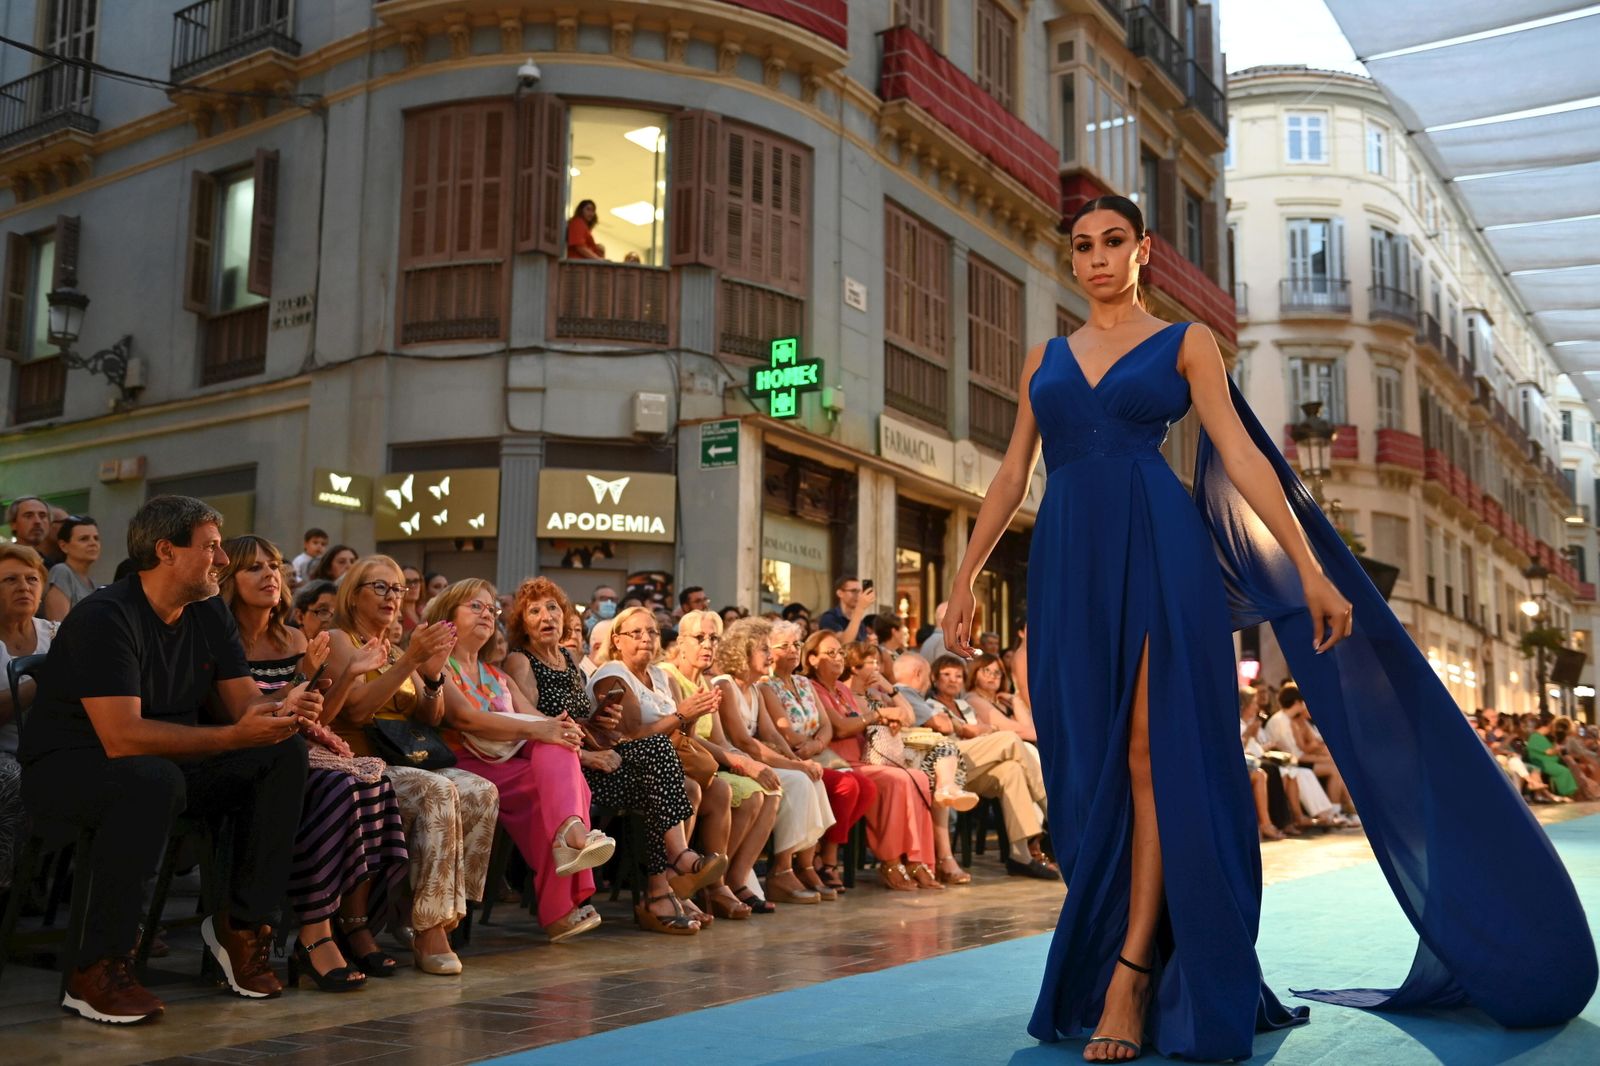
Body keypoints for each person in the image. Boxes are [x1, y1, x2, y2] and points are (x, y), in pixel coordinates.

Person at [943, 194, 1596, 1061]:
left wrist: (1311, 568)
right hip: (1067, 565)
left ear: (1144, 250)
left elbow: (1243, 454)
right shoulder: (1045, 359)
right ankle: (1112, 949)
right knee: (1085, 765)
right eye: (1083, 246)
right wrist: (965, 575)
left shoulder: (1185, 343)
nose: (1096, 257)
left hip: (1159, 548)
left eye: (1113, 241)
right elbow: (1010, 474)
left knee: (1148, 755)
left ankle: (1130, 975)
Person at [19, 496, 314, 1022]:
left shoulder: (208, 611)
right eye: (211, 547)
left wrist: (285, 708)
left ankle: (241, 927)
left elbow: (244, 704)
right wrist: (233, 737)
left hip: (165, 764)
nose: (222, 560)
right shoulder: (106, 617)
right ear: (166, 551)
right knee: (150, 779)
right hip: (71, 768)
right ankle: (97, 967)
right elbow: (122, 737)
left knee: (283, 754)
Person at [220, 536, 408, 991]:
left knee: (373, 781)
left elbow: (318, 717)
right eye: (253, 568)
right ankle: (315, 931)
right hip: (246, 752)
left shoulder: (295, 638)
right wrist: (300, 684)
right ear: (229, 579)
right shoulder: (222, 639)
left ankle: (355, 923)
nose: (270, 575)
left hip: (298, 746)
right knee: (339, 786)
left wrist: (348, 672)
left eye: (274, 565)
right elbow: (242, 716)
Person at [321, 556, 500, 975]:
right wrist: (409, 662)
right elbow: (357, 711)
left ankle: (437, 911)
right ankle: (429, 928)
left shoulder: (397, 649)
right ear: (354, 594)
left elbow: (429, 717)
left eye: (398, 589)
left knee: (481, 791)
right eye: (380, 587)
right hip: (363, 762)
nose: (392, 597)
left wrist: (433, 675)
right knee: (439, 792)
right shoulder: (340, 640)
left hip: (408, 758)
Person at [430, 580, 614, 944]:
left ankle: (570, 837)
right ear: (448, 615)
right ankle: (562, 890)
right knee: (558, 772)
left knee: (555, 761)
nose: (487, 614)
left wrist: (564, 731)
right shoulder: (439, 665)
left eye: (491, 609)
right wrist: (545, 729)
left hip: (507, 762)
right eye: (475, 606)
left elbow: (536, 720)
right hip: (464, 760)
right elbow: (465, 718)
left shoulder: (497, 675)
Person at [585, 605, 728, 934]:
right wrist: (680, 714)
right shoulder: (613, 674)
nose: (646, 638)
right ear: (617, 640)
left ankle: (673, 885)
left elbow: (682, 733)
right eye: (636, 632)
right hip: (614, 767)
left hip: (657, 767)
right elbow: (633, 736)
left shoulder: (661, 676)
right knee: (660, 758)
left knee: (692, 787)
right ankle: (670, 872)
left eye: (651, 631)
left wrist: (692, 715)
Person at [659, 610, 783, 919]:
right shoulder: (668, 675)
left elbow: (719, 741)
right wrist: (741, 762)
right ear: (681, 642)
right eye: (699, 638)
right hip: (677, 761)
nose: (708, 645)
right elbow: (679, 735)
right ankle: (705, 885)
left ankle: (726, 881)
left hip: (705, 762)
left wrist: (748, 762)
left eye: (713, 638)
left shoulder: (705, 682)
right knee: (738, 791)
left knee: (767, 789)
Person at [805, 636, 944, 891]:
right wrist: (878, 715)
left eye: (840, 652)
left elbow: (872, 721)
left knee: (919, 777)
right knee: (898, 779)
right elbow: (841, 728)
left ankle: (917, 859)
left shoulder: (842, 689)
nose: (838, 658)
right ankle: (890, 860)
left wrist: (885, 721)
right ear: (812, 659)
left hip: (861, 758)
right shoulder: (813, 688)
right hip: (838, 761)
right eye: (830, 653)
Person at [713, 618, 834, 906]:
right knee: (798, 780)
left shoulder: (755, 688)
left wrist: (797, 760)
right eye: (764, 649)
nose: (771, 656)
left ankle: (792, 866)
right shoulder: (725, 685)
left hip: (753, 760)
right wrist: (797, 767)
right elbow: (743, 742)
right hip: (732, 763)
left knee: (811, 779)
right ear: (743, 652)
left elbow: (771, 735)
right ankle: (779, 870)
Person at [761, 621, 876, 899]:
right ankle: (819, 861)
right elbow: (783, 731)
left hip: (817, 751)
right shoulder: (767, 685)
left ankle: (820, 850)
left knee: (867, 788)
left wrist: (817, 744)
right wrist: (807, 746)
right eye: (784, 646)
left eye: (796, 644)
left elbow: (826, 725)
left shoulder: (803, 683)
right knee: (845, 786)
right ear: (768, 651)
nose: (793, 650)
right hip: (790, 753)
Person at [926, 654, 1053, 877]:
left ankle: (1020, 855)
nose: (953, 680)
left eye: (958, 676)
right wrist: (974, 730)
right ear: (935, 679)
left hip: (973, 765)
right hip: (948, 765)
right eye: (946, 675)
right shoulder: (930, 705)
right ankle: (1051, 809)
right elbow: (958, 731)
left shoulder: (963, 705)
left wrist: (978, 730)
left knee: (1012, 770)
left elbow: (983, 730)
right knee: (1010, 738)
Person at [0, 544, 56, 890]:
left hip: (55, 748)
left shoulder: (58, 634)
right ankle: (10, 890)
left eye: (32, 579)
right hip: (5, 753)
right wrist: (41, 681)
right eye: (10, 580)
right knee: (12, 780)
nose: (23, 586)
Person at [42, 514, 100, 621]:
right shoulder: (61, 572)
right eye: (84, 539)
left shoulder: (94, 584)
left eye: (96, 538)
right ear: (63, 546)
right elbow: (59, 625)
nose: (93, 543)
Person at [816, 576, 875, 642]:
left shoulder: (859, 622)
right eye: (853, 591)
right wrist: (860, 608)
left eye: (859, 591)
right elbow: (844, 642)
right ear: (840, 593)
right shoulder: (829, 617)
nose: (858, 595)